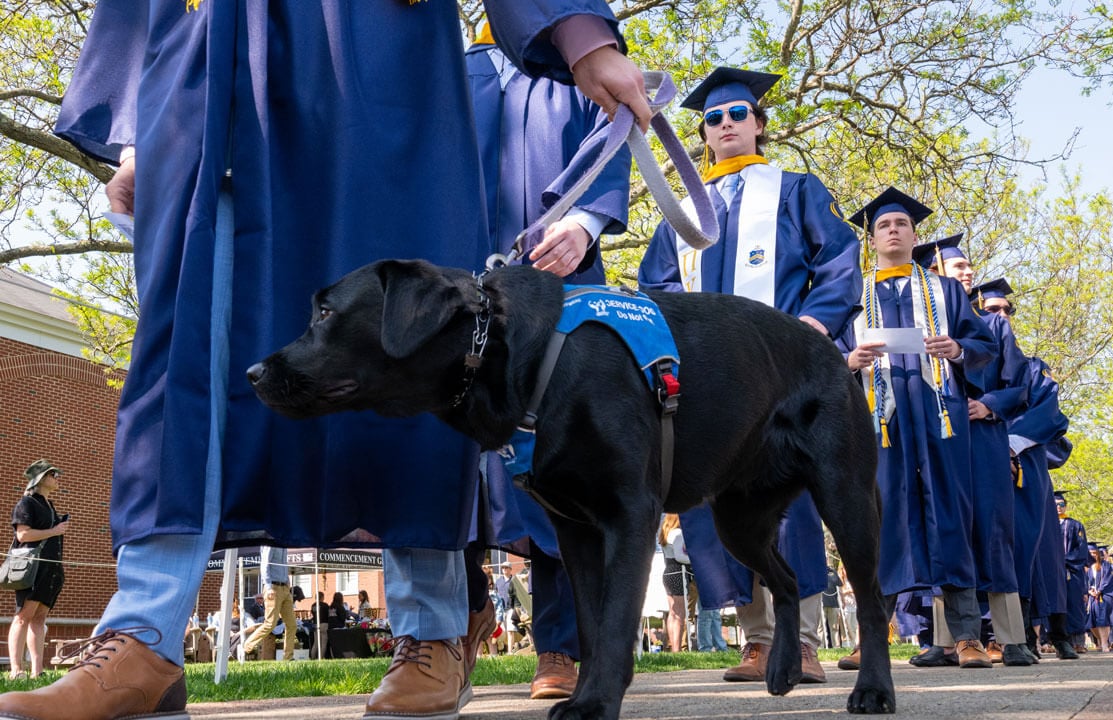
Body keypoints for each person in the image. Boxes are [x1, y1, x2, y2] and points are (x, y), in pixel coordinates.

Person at [2, 3, 650, 719]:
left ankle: (430, 630)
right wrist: (131, 130)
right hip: (201, 60)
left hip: (370, 56)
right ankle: (144, 634)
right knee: (180, 350)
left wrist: (580, 37)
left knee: (401, 344)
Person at [639, 66, 860, 686]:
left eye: (738, 114)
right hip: (708, 379)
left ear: (760, 125)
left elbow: (839, 259)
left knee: (791, 503)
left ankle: (805, 638)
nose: (726, 124)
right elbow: (655, 287)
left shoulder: (795, 189)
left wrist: (814, 329)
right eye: (713, 118)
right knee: (714, 503)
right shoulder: (680, 208)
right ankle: (757, 640)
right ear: (703, 135)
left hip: (783, 373)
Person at [431, 22, 633, 700]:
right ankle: (458, 618)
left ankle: (558, 647)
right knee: (447, 464)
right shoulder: (444, 71)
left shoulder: (570, 67)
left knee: (554, 462)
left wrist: (585, 225)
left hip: (556, 289)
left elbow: (614, 135)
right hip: (451, 299)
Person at [843, 187, 998, 670]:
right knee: (879, 521)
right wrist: (848, 360)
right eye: (884, 226)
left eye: (901, 225)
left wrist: (957, 351)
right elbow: (822, 347)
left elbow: (981, 344)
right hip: (879, 421)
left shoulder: (947, 291)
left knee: (950, 516)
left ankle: (967, 636)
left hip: (940, 417)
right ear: (872, 240)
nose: (893, 230)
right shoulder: (851, 293)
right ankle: (874, 636)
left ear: (915, 236)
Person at [912, 242, 1034, 667]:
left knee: (992, 533)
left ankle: (1012, 637)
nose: (966, 272)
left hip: (982, 439)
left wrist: (990, 405)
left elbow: (1019, 384)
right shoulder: (919, 323)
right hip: (939, 438)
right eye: (955, 266)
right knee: (946, 531)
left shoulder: (993, 326)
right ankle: (948, 641)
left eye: (967, 265)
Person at [972, 281, 1076, 660]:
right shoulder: (967, 366)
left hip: (1024, 466)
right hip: (980, 461)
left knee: (1038, 549)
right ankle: (993, 635)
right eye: (991, 309)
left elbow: (1049, 412)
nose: (1000, 316)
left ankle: (1053, 632)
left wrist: (1012, 442)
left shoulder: (1033, 369)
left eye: (1005, 310)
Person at [7, 461, 69, 680]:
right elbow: (22, 536)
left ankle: (37, 671)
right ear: (41, 478)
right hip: (32, 569)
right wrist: (54, 531)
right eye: (53, 474)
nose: (57, 477)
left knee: (40, 618)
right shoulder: (26, 503)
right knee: (23, 616)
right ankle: (16, 670)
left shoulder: (50, 506)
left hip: (51, 570)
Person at [242, 546, 296, 661]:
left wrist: (288, 583)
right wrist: (268, 586)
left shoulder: (284, 545)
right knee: (270, 623)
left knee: (292, 625)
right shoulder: (269, 544)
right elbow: (264, 564)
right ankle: (246, 646)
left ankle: (288, 658)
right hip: (273, 588)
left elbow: (284, 566)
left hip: (285, 588)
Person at [1055, 490, 1091, 653]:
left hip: (1072, 572)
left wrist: (1065, 560)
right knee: (1056, 606)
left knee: (1074, 606)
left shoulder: (1075, 525)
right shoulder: (1045, 523)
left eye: (1061, 504)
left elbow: (1081, 549)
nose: (1058, 508)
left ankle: (1078, 642)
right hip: (1053, 572)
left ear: (1066, 506)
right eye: (1055, 505)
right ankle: (1061, 642)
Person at [658, 514, 692, 653]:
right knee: (679, 614)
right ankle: (676, 649)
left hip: (668, 572)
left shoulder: (664, 534)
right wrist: (694, 558)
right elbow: (681, 557)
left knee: (672, 613)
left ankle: (673, 647)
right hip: (679, 572)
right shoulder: (678, 533)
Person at [1085, 543, 1113, 651]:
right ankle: (1102, 640)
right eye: (1090, 553)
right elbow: (1082, 580)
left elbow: (1107, 579)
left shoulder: (1106, 565)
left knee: (1102, 619)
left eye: (1095, 553)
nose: (1093, 555)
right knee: (1091, 622)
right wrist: (1089, 590)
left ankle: (1104, 643)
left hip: (1104, 595)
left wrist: (1099, 590)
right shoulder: (1085, 567)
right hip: (1090, 597)